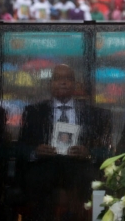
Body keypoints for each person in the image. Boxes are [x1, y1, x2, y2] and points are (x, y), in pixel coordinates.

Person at [17, 64, 112, 221]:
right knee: (36, 180)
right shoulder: (33, 112)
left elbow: (106, 149)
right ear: (50, 84)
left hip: (80, 165)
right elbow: (20, 148)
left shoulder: (94, 114)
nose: (63, 83)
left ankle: (97, 218)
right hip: (45, 164)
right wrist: (36, 151)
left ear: (75, 84)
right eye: (57, 79)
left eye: (67, 79)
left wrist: (88, 153)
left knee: (96, 181)